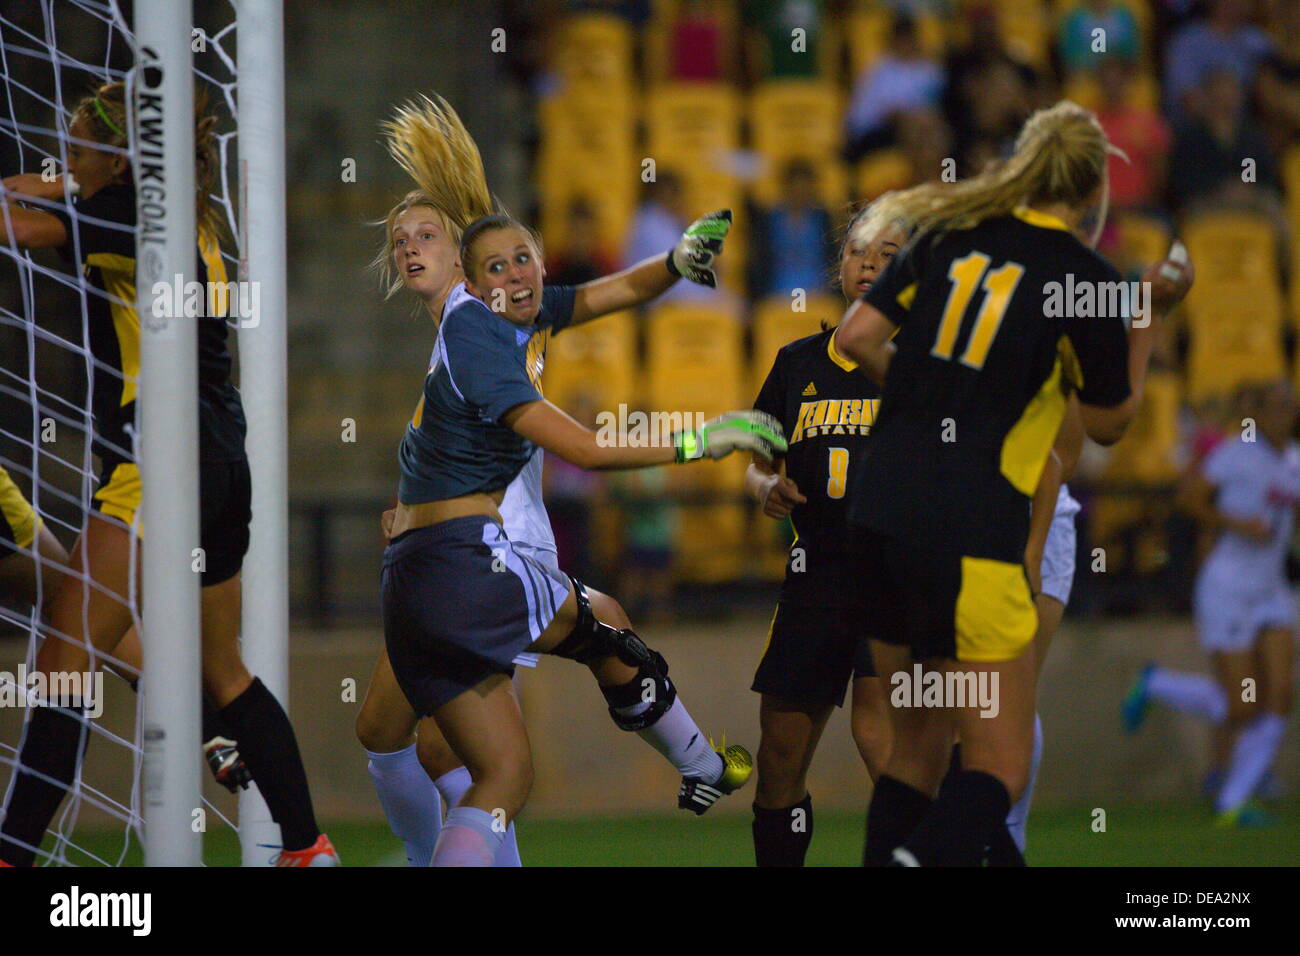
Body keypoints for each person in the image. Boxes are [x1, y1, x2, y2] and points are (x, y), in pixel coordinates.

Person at [357, 95, 769, 866]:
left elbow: (608, 293)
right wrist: (703, 439)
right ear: (470, 273)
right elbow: (587, 447)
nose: (411, 248)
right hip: (478, 554)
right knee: (518, 741)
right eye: (402, 241)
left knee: (409, 742)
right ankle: (699, 765)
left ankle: (696, 768)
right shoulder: (479, 329)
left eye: (425, 235)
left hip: (421, 566)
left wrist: (674, 265)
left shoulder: (500, 317)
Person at [834, 100, 1193, 866]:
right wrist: (1148, 315)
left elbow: (857, 336)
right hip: (968, 526)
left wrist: (930, 401)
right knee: (998, 763)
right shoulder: (1088, 279)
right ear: (1093, 187)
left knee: (917, 746)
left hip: (880, 508)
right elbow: (1109, 424)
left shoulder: (950, 234)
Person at [0, 81, 332, 867]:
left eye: (78, 148)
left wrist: (76, 180)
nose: (65, 161)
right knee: (223, 670)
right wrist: (80, 170)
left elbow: (8, 217)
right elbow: (28, 187)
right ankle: (306, 848)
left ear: (120, 161)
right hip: (224, 462)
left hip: (159, 467)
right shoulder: (194, 216)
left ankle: (12, 853)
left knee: (63, 664)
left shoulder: (126, 222)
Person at [743, 198, 904, 866]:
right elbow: (754, 461)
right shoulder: (796, 362)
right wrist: (765, 488)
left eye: (887, 254)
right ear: (837, 264)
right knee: (779, 755)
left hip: (894, 573)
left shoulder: (924, 363)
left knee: (883, 737)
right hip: (814, 573)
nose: (868, 264)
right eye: (857, 250)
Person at [1126, 381, 1295, 827]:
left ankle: (1232, 799)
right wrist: (1236, 523)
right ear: (1258, 412)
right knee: (1243, 704)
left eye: (1291, 406)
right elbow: (1188, 498)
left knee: (1278, 697)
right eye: (1278, 406)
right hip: (1227, 588)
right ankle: (1159, 684)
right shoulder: (1236, 453)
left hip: (1272, 589)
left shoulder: (1295, 460)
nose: (1287, 414)